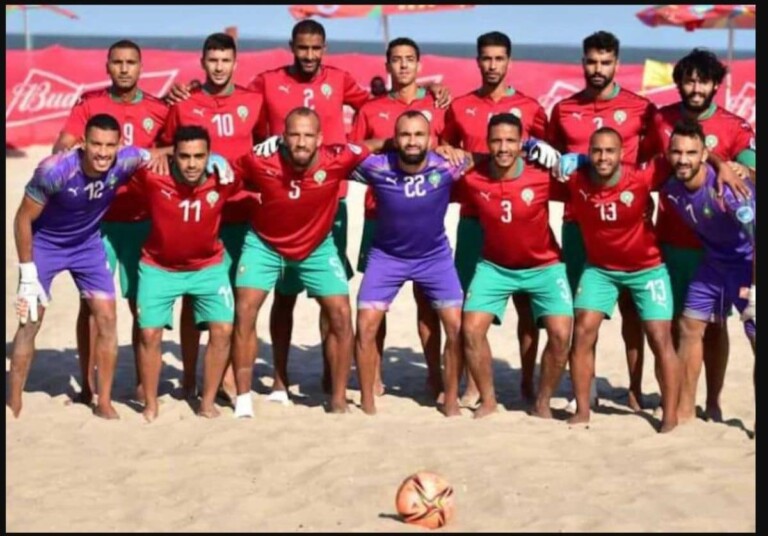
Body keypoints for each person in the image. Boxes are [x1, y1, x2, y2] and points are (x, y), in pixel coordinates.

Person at [229, 107, 384, 418]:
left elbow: (377, 144)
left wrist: (414, 143)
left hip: (317, 246)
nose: (301, 142)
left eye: (308, 135)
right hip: (264, 245)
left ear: (320, 139)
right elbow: (223, 172)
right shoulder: (259, 161)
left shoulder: (338, 157)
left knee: (341, 314)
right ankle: (244, 397)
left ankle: (338, 399)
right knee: (245, 309)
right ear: (282, 137)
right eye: (294, 134)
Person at [8, 114, 150, 419]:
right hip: (45, 246)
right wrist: (27, 274)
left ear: (120, 145)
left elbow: (161, 156)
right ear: (83, 143)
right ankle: (14, 401)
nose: (102, 152)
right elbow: (22, 218)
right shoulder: (55, 170)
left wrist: (214, 156)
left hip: (86, 246)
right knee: (31, 321)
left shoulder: (127, 160)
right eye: (96, 144)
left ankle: (104, 402)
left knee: (108, 317)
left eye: (109, 145)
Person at [52, 39, 170, 405]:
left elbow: (179, 149)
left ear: (140, 66)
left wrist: (143, 155)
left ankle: (140, 381)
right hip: (96, 223)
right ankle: (88, 385)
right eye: (117, 62)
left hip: (142, 220)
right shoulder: (90, 105)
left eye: (130, 62)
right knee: (92, 306)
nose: (123, 68)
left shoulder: (159, 109)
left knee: (141, 306)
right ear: (107, 66)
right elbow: (61, 146)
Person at [548, 31, 658, 411]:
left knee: (633, 311)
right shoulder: (563, 110)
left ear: (617, 64)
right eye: (592, 61)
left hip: (628, 223)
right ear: (582, 62)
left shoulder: (641, 108)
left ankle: (635, 388)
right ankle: (587, 388)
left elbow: (655, 164)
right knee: (584, 313)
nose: (598, 69)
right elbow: (552, 160)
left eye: (605, 62)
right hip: (579, 221)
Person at [443, 31, 552, 407]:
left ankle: (526, 380)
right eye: (486, 58)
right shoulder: (459, 106)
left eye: (499, 58)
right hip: (475, 219)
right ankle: (471, 385)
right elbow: (444, 146)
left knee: (527, 309)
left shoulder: (532, 107)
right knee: (466, 309)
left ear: (509, 61)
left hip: (521, 222)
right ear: (477, 61)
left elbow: (548, 153)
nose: (492, 65)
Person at [649, 49, 756, 422]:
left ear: (714, 85)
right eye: (689, 80)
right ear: (679, 83)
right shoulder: (659, 118)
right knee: (682, 324)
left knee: (719, 327)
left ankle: (713, 401)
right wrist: (715, 160)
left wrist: (732, 169)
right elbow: (651, 162)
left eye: (703, 81)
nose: (695, 88)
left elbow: (751, 175)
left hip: (726, 245)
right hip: (673, 241)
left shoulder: (734, 125)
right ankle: (682, 406)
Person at [159, 32, 264, 401]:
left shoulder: (254, 100)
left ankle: (231, 378)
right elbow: (163, 147)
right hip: (198, 214)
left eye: (225, 60)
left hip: (244, 211)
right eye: (213, 60)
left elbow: (267, 147)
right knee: (193, 298)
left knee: (238, 298)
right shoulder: (185, 101)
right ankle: (190, 376)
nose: (219, 67)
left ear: (236, 63)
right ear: (202, 62)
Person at [559, 127, 680, 433]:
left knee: (659, 336)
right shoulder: (575, 178)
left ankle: (670, 415)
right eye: (596, 151)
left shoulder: (639, 177)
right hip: (600, 269)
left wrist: (723, 165)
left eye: (609, 151)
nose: (602, 157)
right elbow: (529, 164)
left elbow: (682, 155)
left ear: (621, 154)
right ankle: (583, 410)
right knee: (583, 330)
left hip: (647, 268)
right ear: (588, 152)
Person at [351, 111, 469, 417]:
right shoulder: (378, 167)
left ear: (431, 139)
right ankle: (367, 401)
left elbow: (488, 157)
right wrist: (381, 143)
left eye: (419, 135)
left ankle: (452, 399)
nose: (412, 141)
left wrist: (459, 150)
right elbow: (342, 155)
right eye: (405, 135)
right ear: (395, 139)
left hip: (435, 258)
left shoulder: (447, 166)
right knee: (365, 325)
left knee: (457, 326)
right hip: (386, 258)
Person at [457, 114, 573, 419]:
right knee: (470, 329)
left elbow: (586, 180)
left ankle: (543, 402)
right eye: (496, 140)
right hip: (495, 267)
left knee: (561, 334)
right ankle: (489, 400)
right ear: (488, 143)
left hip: (544, 266)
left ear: (522, 143)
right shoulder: (473, 176)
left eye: (510, 140)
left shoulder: (542, 175)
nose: (503, 147)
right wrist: (446, 150)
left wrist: (570, 159)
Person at [350, 37, 447, 402]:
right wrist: (381, 146)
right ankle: (374, 377)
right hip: (379, 217)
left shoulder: (437, 105)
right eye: (396, 60)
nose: (403, 66)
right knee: (376, 307)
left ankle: (434, 377)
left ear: (419, 64)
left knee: (428, 303)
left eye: (409, 59)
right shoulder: (370, 109)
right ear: (387, 65)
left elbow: (451, 153)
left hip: (426, 219)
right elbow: (352, 156)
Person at [131, 126, 239, 422]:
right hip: (159, 267)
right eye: (184, 156)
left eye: (200, 156)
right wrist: (160, 153)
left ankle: (205, 401)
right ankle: (151, 405)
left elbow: (257, 167)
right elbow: (121, 156)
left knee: (223, 330)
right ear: (174, 156)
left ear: (209, 156)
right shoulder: (154, 177)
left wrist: (222, 158)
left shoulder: (224, 177)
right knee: (149, 334)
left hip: (208, 267)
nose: (192, 164)